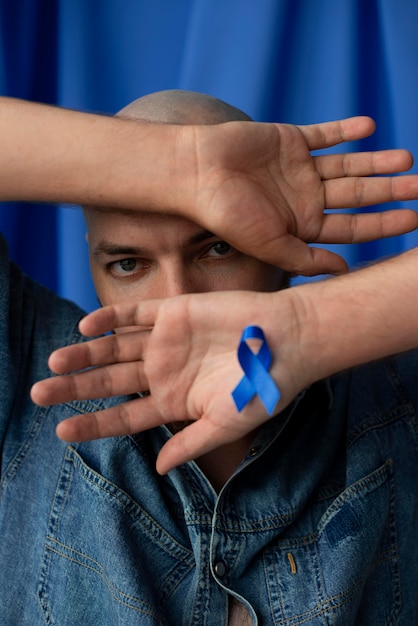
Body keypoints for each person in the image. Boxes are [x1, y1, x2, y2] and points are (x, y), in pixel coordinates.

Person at [29, 90, 418, 625]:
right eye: (128, 265)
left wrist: (309, 326)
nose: (177, 306)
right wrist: (180, 166)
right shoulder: (29, 381)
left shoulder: (395, 395)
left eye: (218, 249)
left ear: (283, 242)